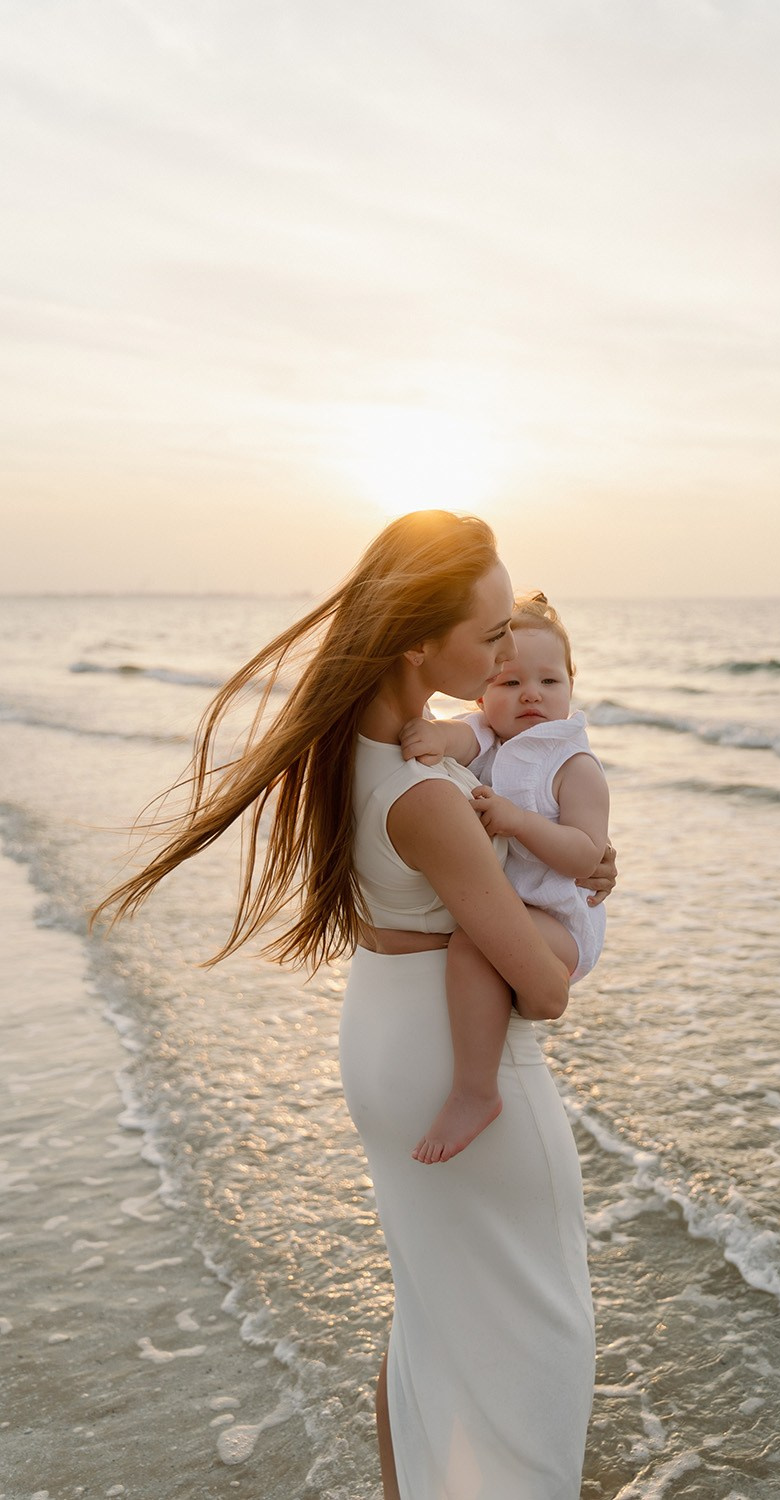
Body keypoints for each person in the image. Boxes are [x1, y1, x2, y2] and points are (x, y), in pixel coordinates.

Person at [92, 510, 616, 1500]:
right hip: (458, 1061)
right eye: (491, 632)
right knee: (537, 1336)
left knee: (432, 1313)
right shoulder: (426, 795)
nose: (507, 653)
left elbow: (483, 814)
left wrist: (567, 855)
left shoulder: (349, 747)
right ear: (422, 641)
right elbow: (542, 991)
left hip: (383, 1029)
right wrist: (574, 884)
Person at [400, 592, 609, 1166]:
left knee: (474, 943)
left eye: (549, 681)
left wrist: (518, 821)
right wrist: (434, 739)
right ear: (482, 692)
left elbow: (587, 856)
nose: (531, 696)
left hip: (562, 922)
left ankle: (476, 1091)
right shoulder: (485, 735)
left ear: (571, 685)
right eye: (511, 683)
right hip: (508, 909)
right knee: (478, 939)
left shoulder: (573, 765)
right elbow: (458, 739)